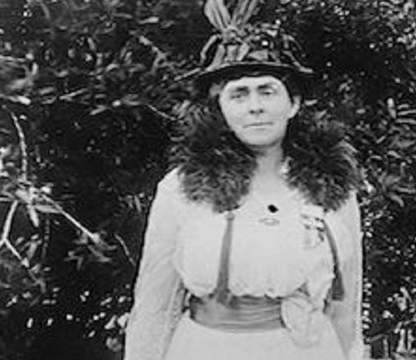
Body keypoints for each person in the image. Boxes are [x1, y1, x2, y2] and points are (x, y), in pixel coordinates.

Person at [124, 1, 364, 359]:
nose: (255, 107)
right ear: (221, 107)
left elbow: (347, 305)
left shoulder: (331, 187)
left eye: (267, 91)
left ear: (293, 103)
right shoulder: (183, 187)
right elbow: (156, 303)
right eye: (239, 94)